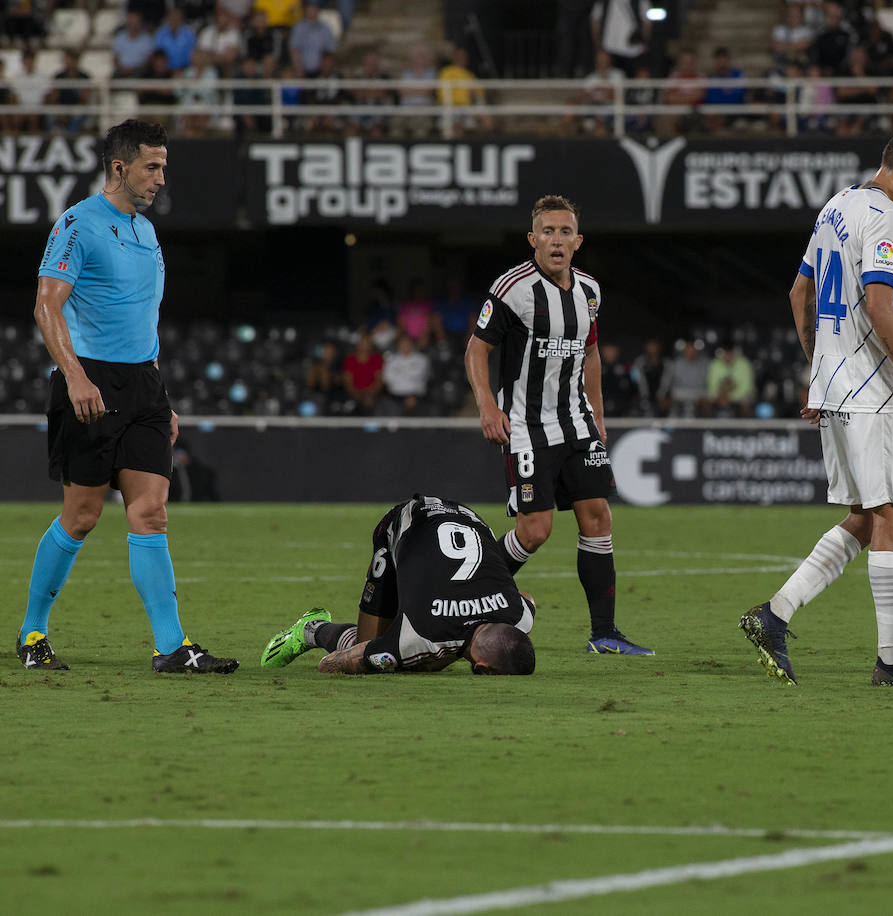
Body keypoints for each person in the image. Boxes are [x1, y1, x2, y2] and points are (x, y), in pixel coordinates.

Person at [739, 126, 893, 688]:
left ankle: (775, 614)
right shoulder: (886, 217)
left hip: (837, 390)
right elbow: (878, 301)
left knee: (867, 517)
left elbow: (798, 293)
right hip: (874, 392)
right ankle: (892, 662)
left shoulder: (835, 206)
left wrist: (820, 371)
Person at [17, 119, 237, 674]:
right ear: (120, 167)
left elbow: (144, 316)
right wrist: (73, 376)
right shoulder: (78, 223)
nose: (161, 177)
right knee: (83, 515)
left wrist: (161, 396)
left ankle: (171, 646)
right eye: (152, 166)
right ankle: (32, 632)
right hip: (90, 381)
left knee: (152, 513)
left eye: (163, 165)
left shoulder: (145, 230)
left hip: (143, 386)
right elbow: (47, 306)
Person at [465, 195, 653, 655]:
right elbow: (476, 349)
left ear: (577, 241)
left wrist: (598, 416)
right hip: (528, 426)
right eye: (547, 231)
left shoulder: (590, 291)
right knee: (535, 530)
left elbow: (590, 353)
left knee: (598, 517)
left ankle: (604, 634)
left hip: (578, 423)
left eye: (565, 231)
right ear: (533, 240)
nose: (556, 239)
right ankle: (470, 593)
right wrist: (488, 408)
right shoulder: (513, 288)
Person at [259, 495, 536, 675]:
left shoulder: (518, 614)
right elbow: (331, 665)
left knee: (425, 657)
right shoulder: (420, 635)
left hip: (465, 514)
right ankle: (311, 629)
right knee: (371, 646)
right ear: (482, 668)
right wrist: (392, 655)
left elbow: (528, 598)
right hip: (403, 523)